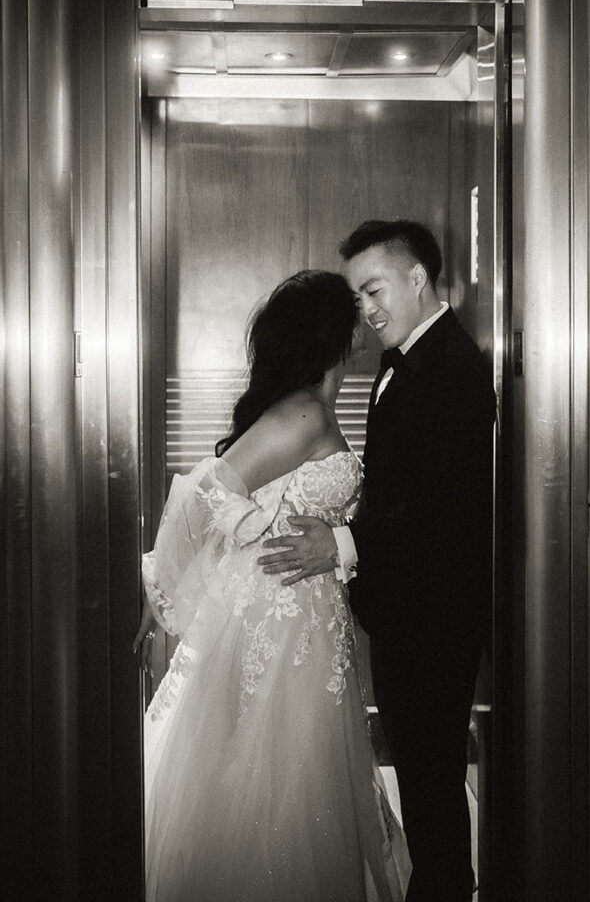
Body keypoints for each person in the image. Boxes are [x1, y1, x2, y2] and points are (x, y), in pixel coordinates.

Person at [133, 270, 410, 902]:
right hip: (281, 617)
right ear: (332, 336)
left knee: (301, 774)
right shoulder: (306, 411)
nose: (363, 322)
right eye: (352, 313)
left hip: (310, 611)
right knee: (280, 774)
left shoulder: (314, 406)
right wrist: (242, 534)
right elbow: (211, 487)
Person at [260, 222, 496, 902]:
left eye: (374, 289)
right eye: (359, 296)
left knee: (432, 789)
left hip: (434, 622)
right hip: (402, 617)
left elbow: (444, 510)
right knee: (424, 786)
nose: (366, 310)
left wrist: (341, 545)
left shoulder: (453, 368)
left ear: (417, 277)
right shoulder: (403, 361)